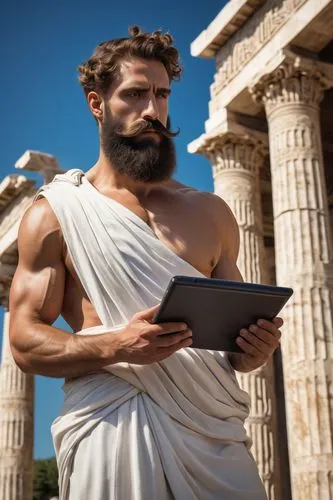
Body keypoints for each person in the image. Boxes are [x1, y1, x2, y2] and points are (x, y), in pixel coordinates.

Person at [9, 26, 282, 500]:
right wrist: (117, 344)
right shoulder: (55, 214)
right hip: (112, 425)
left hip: (213, 434)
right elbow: (24, 341)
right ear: (97, 104)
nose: (153, 111)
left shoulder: (211, 213)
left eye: (161, 94)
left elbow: (236, 350)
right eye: (135, 95)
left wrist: (253, 349)